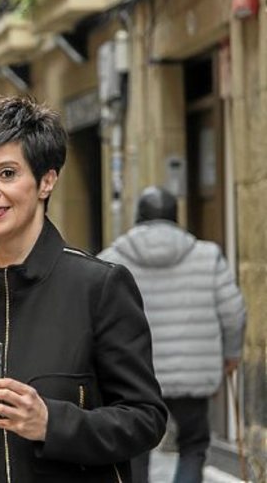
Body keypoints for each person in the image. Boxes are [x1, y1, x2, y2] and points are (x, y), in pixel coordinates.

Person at [0, 95, 167, 482]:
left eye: (7, 173)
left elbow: (146, 419)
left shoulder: (99, 286)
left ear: (46, 180)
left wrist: (51, 423)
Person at [98, 186, 247, 483]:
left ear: (138, 216)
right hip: (190, 375)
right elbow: (234, 313)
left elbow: (94, 317)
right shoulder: (207, 256)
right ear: (175, 216)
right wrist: (231, 355)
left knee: (134, 447)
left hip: (133, 375)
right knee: (193, 444)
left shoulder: (110, 259)